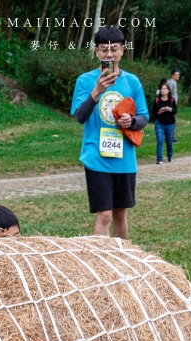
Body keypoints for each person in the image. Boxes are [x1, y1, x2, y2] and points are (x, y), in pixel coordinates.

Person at [70, 25, 149, 239]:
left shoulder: (132, 81)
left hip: (125, 158)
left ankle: (121, 260)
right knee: (104, 214)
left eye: (114, 48)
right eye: (104, 48)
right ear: (96, 51)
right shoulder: (86, 81)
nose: (109, 53)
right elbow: (80, 117)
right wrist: (97, 91)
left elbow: (144, 117)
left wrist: (131, 121)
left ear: (123, 50)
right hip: (97, 156)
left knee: (120, 213)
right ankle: (101, 263)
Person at [152, 79, 176, 164]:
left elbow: (175, 111)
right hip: (159, 123)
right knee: (160, 140)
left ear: (168, 90)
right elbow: (153, 111)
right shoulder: (157, 100)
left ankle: (170, 156)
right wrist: (158, 112)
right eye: (162, 89)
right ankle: (159, 158)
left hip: (169, 123)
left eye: (165, 89)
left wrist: (170, 109)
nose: (163, 90)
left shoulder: (172, 100)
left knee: (169, 141)